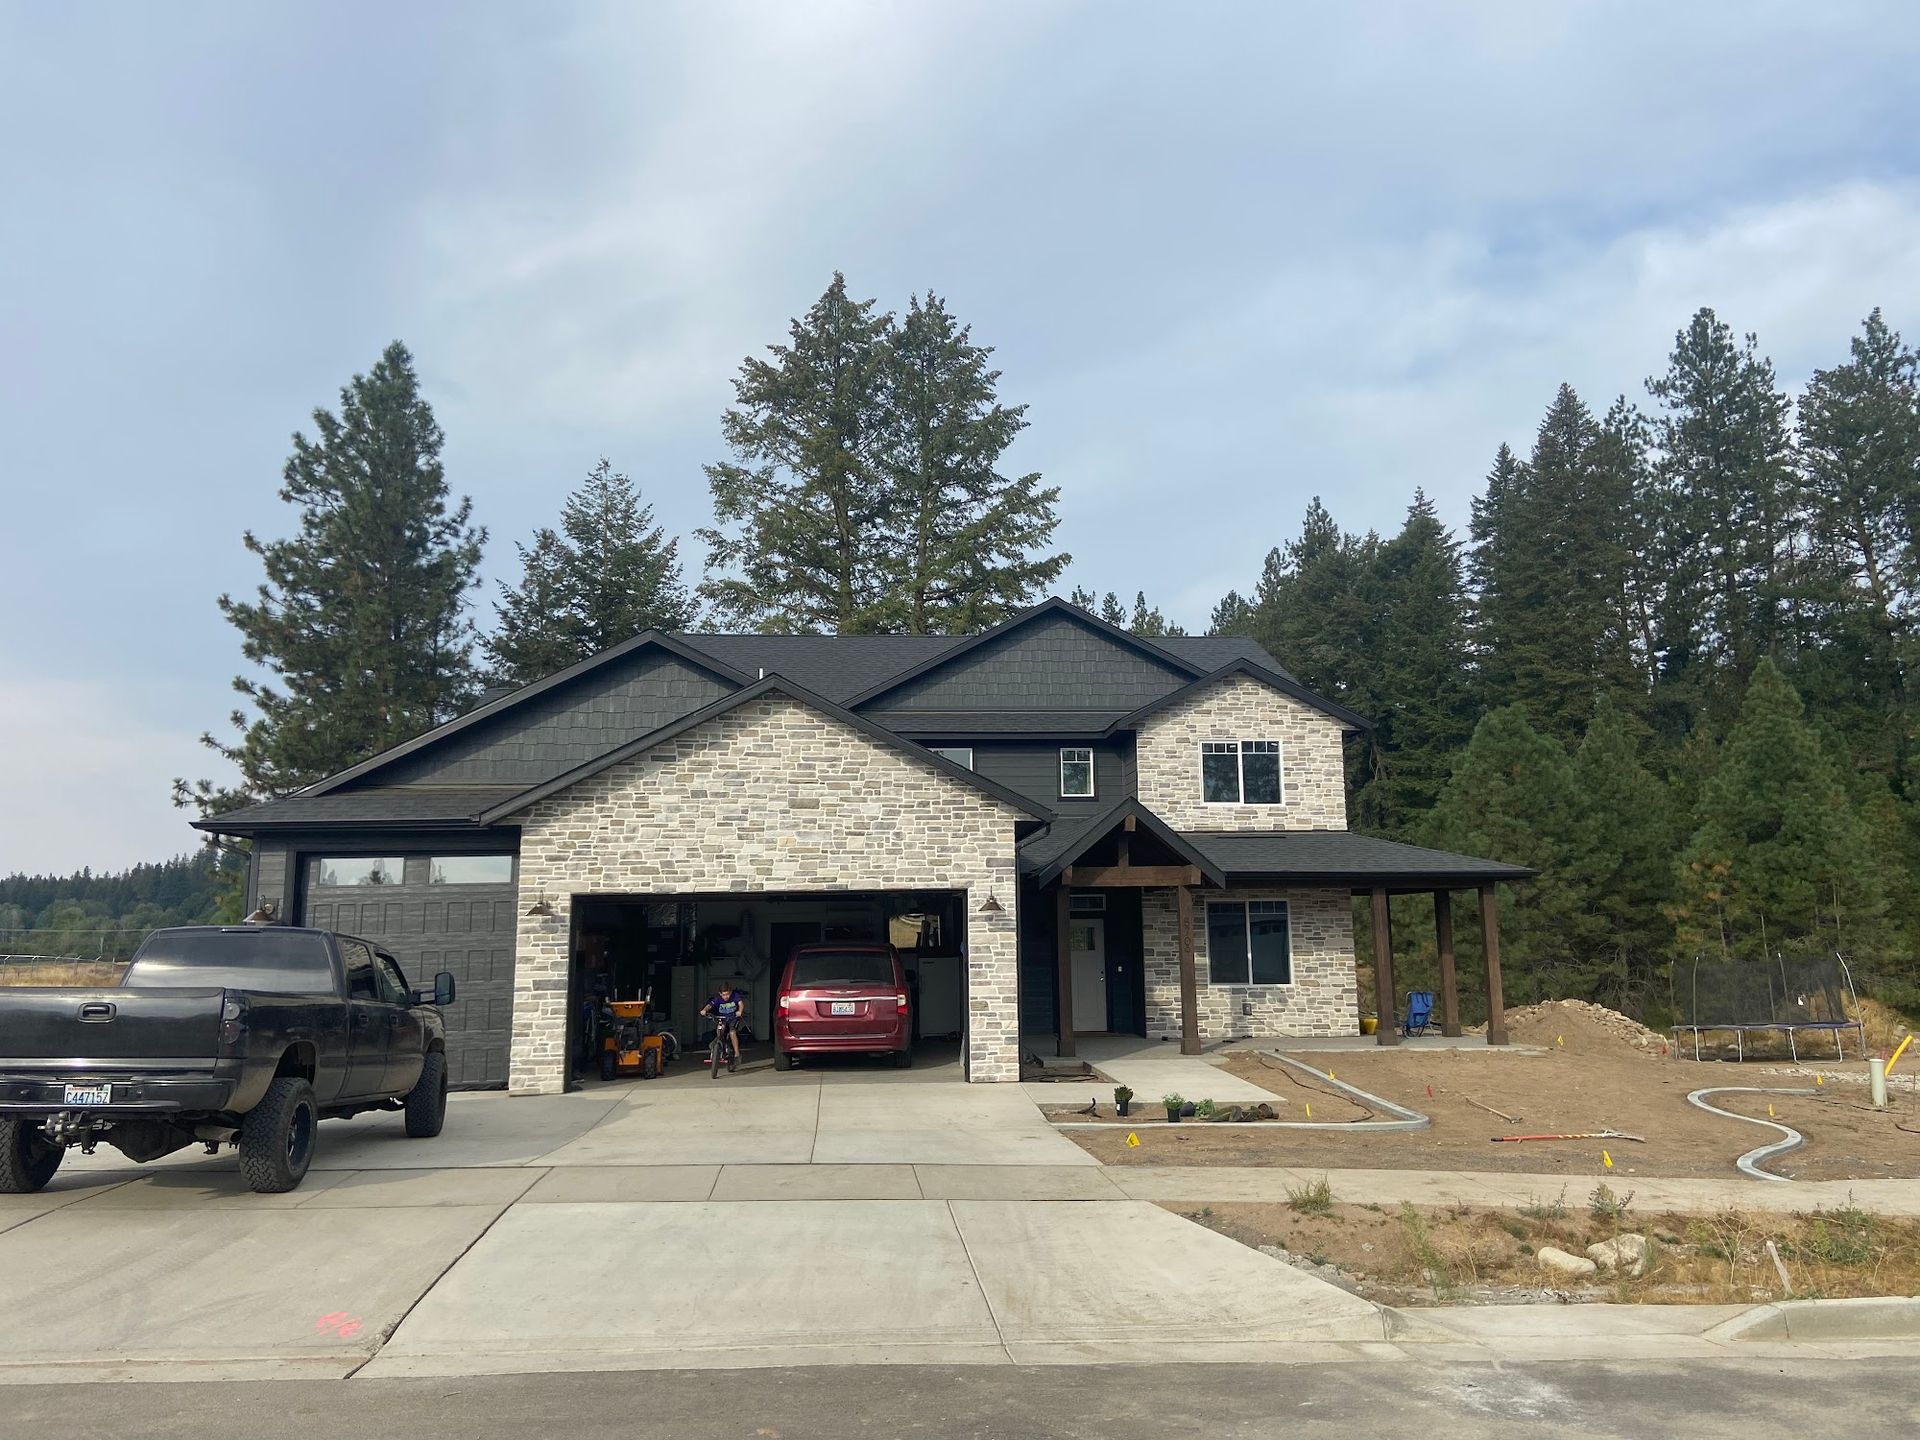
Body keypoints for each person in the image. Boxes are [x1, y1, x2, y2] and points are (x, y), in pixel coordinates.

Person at [700, 983, 748, 1070]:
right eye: (724, 995)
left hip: (733, 1018)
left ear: (730, 992)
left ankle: (737, 1053)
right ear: (720, 994)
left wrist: (740, 1011)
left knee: (732, 1032)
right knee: (720, 1029)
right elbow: (710, 1005)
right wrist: (704, 1010)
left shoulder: (735, 996)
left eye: (727, 994)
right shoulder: (718, 999)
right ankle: (718, 1044)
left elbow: (741, 1004)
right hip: (722, 1019)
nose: (726, 997)